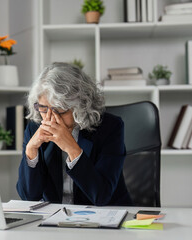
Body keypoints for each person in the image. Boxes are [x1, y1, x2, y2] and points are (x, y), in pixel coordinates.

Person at [16, 62, 132, 206]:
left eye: (60, 110)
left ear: (82, 105)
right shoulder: (34, 128)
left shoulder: (110, 127)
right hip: (55, 219)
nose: (50, 119)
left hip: (103, 217)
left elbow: (101, 196)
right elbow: (28, 197)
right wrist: (31, 151)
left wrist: (72, 148)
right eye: (43, 109)